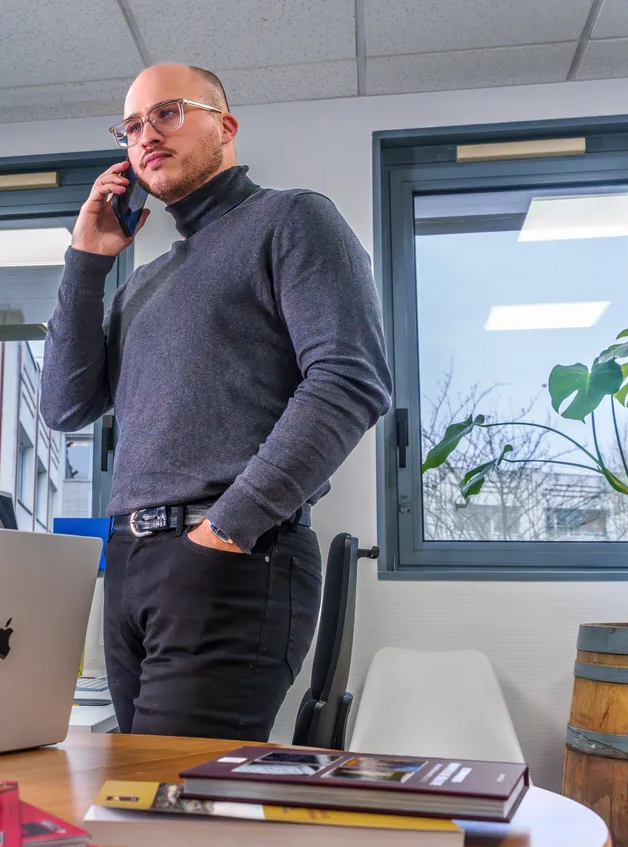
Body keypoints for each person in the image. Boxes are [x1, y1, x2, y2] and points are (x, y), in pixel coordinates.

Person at [40, 63, 392, 741]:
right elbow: (64, 404)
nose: (146, 134)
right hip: (133, 568)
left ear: (225, 127)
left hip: (230, 556)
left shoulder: (292, 219)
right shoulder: (144, 281)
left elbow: (349, 379)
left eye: (167, 112)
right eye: (132, 125)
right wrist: (87, 260)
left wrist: (225, 528)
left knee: (178, 807)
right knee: (138, 799)